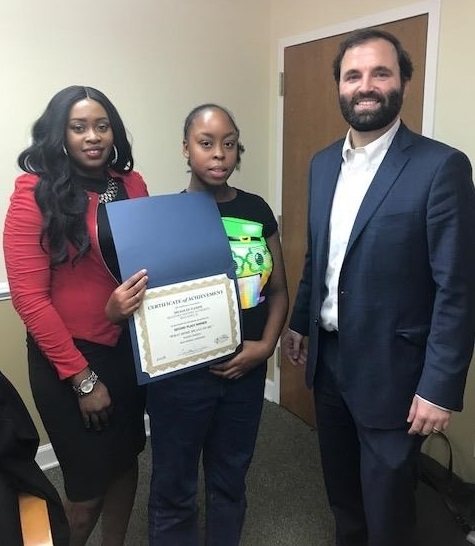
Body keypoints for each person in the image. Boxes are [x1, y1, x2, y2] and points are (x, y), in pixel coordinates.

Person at [282, 28, 475, 546]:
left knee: (388, 504)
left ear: (404, 83)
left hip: (396, 370)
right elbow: (318, 261)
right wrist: (300, 322)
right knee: (342, 492)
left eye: (380, 72)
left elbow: (457, 288)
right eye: (353, 75)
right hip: (330, 363)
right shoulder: (322, 164)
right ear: (340, 88)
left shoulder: (441, 167)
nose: (365, 85)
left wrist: (438, 386)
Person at [3, 85, 150, 546]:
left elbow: (148, 257)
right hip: (70, 360)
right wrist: (83, 380)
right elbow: (29, 300)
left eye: (102, 126)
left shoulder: (130, 184)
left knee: (127, 462)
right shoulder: (33, 195)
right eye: (79, 126)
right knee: (84, 494)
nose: (93, 136)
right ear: (59, 134)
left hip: (128, 349)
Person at [147, 104, 288, 545]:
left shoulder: (256, 209)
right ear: (186, 150)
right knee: (174, 488)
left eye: (229, 144)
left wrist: (265, 347)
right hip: (182, 380)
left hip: (245, 374)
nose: (219, 154)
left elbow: (279, 290)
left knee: (229, 481)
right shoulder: (163, 217)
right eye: (206, 143)